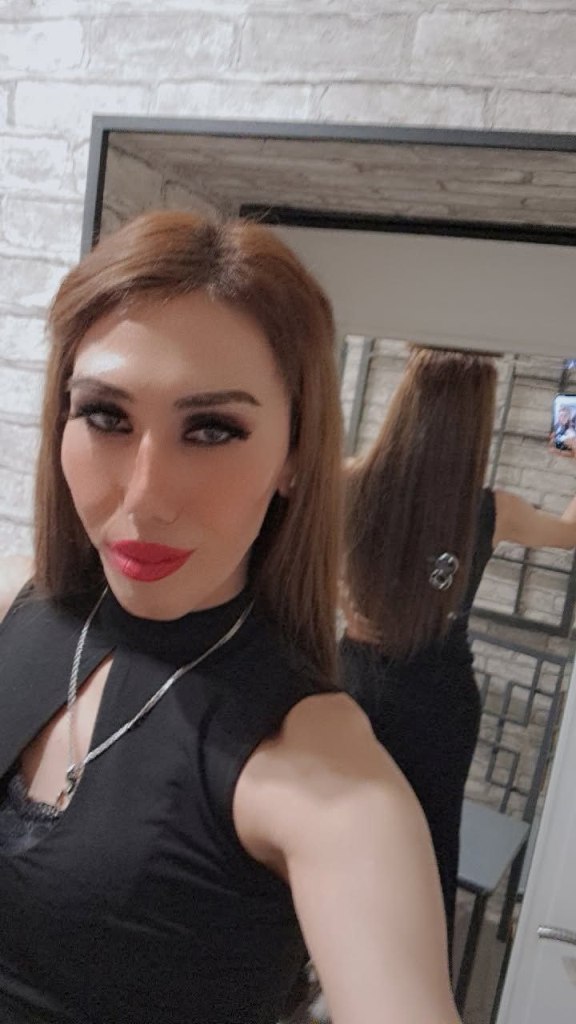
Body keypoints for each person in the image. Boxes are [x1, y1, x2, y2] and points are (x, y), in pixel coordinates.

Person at [0, 213, 460, 1024]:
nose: (146, 498)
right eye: (105, 416)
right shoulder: (16, 599)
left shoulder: (317, 769)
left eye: (211, 430)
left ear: (294, 456)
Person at [340, 344, 576, 961]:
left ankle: (313, 971)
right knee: (426, 850)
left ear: (405, 399)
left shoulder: (349, 481)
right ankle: (415, 978)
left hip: (354, 685)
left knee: (331, 832)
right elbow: (571, 531)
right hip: (439, 703)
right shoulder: (492, 510)